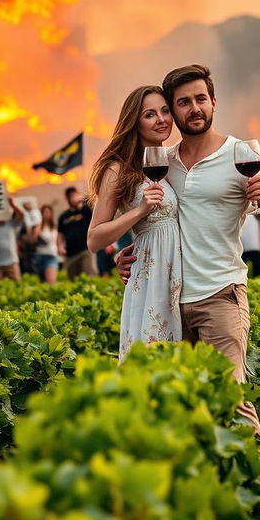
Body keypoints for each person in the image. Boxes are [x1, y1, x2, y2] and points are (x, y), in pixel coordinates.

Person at [114, 64, 260, 520]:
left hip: (220, 297)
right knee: (181, 411)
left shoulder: (242, 155)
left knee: (233, 404)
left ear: (214, 102)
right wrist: (124, 254)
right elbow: (146, 221)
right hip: (166, 302)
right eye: (182, 103)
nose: (192, 109)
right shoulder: (161, 160)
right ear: (172, 111)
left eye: (200, 100)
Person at [89, 85, 182, 354]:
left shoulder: (174, 159)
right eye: (150, 114)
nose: (161, 119)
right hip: (152, 278)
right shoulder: (118, 169)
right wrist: (139, 211)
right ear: (134, 122)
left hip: (184, 272)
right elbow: (94, 239)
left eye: (165, 111)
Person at [58, 187, 97, 279]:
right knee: (72, 278)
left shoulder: (86, 210)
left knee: (89, 275)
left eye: (75, 195)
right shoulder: (64, 216)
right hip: (70, 253)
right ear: (67, 199)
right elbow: (60, 234)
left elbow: (94, 203)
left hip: (85, 249)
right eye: (71, 196)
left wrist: (81, 199)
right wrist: (59, 246)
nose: (73, 198)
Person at [35, 205, 60, 284]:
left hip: (51, 255)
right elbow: (32, 239)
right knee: (42, 282)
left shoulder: (54, 227)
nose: (47, 214)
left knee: (51, 282)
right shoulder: (39, 226)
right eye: (44, 212)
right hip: (39, 255)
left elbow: (57, 240)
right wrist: (38, 223)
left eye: (48, 212)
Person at [241, 213, 260, 277]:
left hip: (255, 246)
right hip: (242, 248)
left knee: (258, 272)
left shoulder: (255, 212)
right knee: (242, 274)